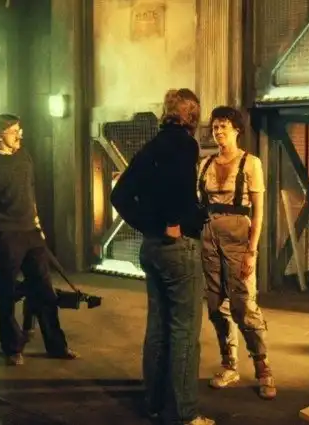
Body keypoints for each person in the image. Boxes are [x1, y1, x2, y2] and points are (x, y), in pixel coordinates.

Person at [110, 89, 214, 425]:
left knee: (157, 327)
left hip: (151, 247)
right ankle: (186, 414)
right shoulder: (184, 145)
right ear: (192, 115)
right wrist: (171, 223)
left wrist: (150, 225)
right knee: (184, 331)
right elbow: (179, 188)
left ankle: (154, 403)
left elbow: (119, 195)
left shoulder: (152, 145)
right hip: (178, 248)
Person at [0, 113, 78, 366]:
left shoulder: (24, 157)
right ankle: (12, 348)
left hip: (31, 232)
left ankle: (56, 345)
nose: (20, 135)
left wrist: (37, 223)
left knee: (45, 290)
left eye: (20, 130)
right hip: (6, 236)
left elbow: (29, 193)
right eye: (14, 131)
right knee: (7, 292)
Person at [198, 106, 276, 400]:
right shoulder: (204, 164)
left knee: (243, 304)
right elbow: (199, 203)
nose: (218, 131)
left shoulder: (250, 163)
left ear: (237, 130)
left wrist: (252, 251)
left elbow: (258, 212)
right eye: (215, 127)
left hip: (239, 237)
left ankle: (262, 366)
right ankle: (229, 364)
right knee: (216, 304)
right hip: (209, 236)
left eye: (223, 126)